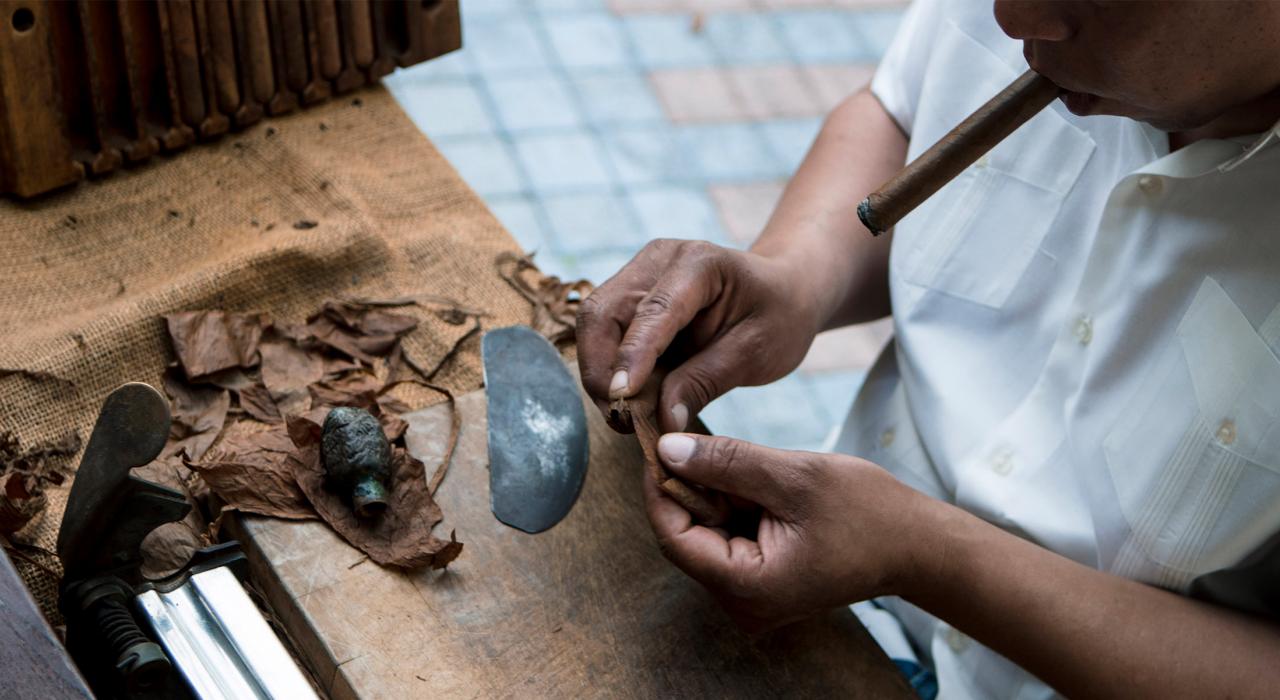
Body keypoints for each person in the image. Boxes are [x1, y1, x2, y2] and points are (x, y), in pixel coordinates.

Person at [575, 0, 1280, 697]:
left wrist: (922, 556)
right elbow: (902, 110)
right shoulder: (1048, 24)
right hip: (827, 611)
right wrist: (797, 276)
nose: (1012, 20)